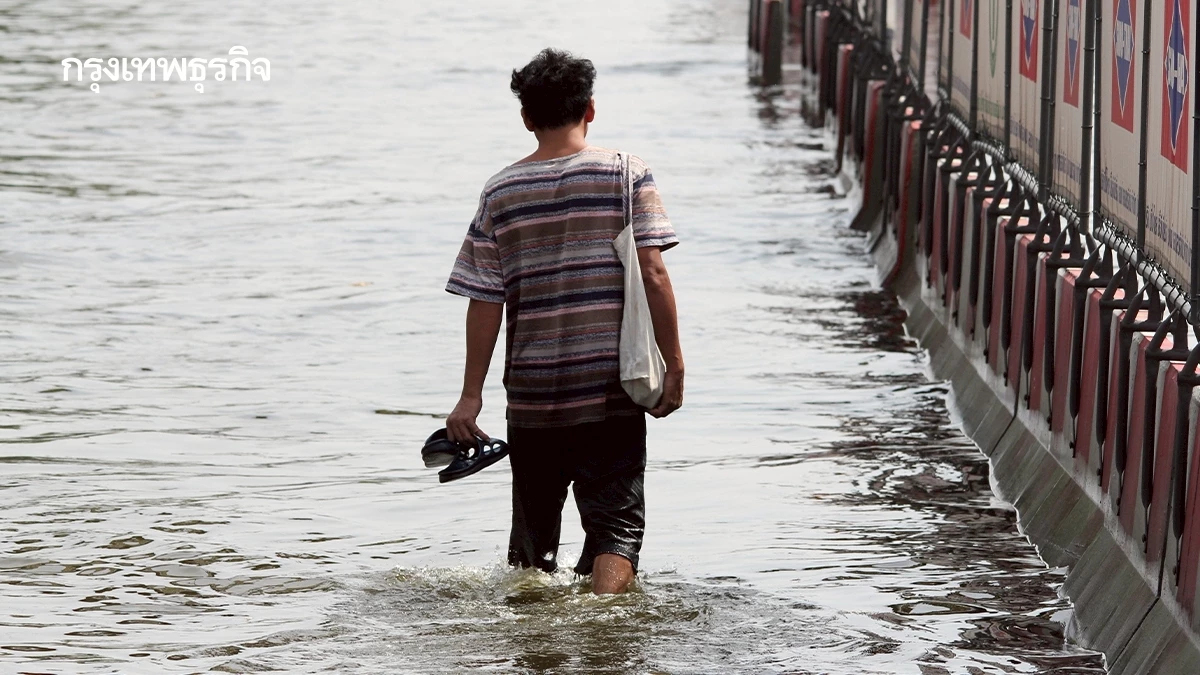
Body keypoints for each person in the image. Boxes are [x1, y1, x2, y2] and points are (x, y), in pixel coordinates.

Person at [443, 48, 684, 594]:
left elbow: (484, 300)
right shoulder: (625, 175)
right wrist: (675, 365)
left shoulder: (500, 191)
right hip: (608, 385)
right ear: (590, 109)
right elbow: (653, 271)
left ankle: (535, 649)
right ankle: (603, 629)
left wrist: (469, 396)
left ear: (526, 117)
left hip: (530, 394)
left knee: (533, 545)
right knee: (615, 527)